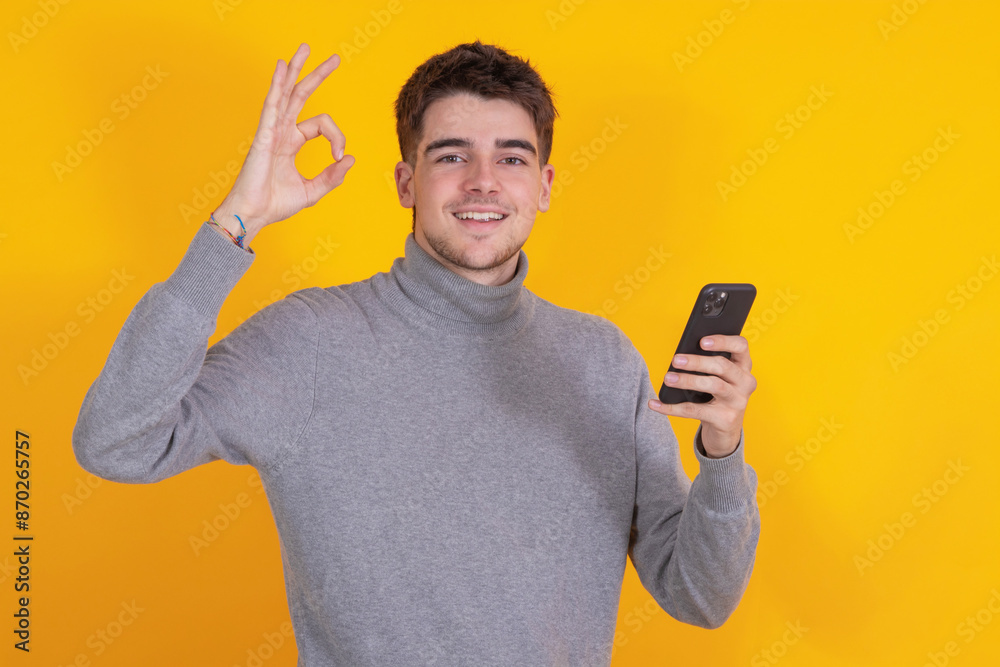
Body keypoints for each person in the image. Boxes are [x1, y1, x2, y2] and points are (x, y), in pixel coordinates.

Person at [73, 40, 760, 666]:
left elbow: (699, 593)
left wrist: (722, 448)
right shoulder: (309, 341)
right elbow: (116, 440)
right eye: (452, 154)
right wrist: (234, 223)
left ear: (544, 187)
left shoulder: (603, 361)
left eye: (512, 157)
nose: (483, 181)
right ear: (406, 183)